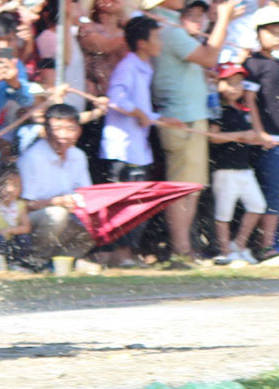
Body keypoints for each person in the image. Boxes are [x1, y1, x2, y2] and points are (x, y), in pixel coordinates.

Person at [141, 0, 241, 264]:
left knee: (191, 188)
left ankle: (184, 249)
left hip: (185, 115)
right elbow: (209, 57)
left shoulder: (168, 26)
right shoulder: (169, 30)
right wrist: (222, 19)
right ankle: (181, 250)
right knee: (184, 188)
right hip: (182, 117)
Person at [242, 5, 279, 252]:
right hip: (269, 137)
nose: (277, 36)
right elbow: (250, 100)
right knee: (274, 190)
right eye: (271, 32)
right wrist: (260, 131)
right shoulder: (254, 64)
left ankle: (269, 242)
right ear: (259, 33)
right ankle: (266, 245)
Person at [16, 103, 93, 261]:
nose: (63, 135)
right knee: (57, 215)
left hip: (67, 216)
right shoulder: (32, 158)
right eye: (58, 129)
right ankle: (34, 259)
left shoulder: (79, 156)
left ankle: (61, 261)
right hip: (30, 221)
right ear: (46, 131)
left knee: (97, 222)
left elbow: (86, 194)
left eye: (70, 129)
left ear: (79, 131)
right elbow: (23, 205)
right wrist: (58, 202)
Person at [208, 64, 266, 263]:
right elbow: (213, 137)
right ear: (219, 84)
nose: (235, 87)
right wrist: (240, 135)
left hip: (244, 169)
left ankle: (239, 245)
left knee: (257, 206)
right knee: (224, 212)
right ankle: (226, 252)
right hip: (225, 169)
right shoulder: (218, 110)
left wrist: (255, 138)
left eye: (239, 83)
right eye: (230, 83)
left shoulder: (243, 110)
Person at [101, 14, 167, 181]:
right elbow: (115, 99)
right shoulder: (128, 67)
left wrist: (162, 119)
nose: (161, 42)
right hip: (121, 150)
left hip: (136, 150)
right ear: (142, 44)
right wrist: (139, 114)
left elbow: (140, 109)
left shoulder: (144, 67)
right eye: (157, 38)